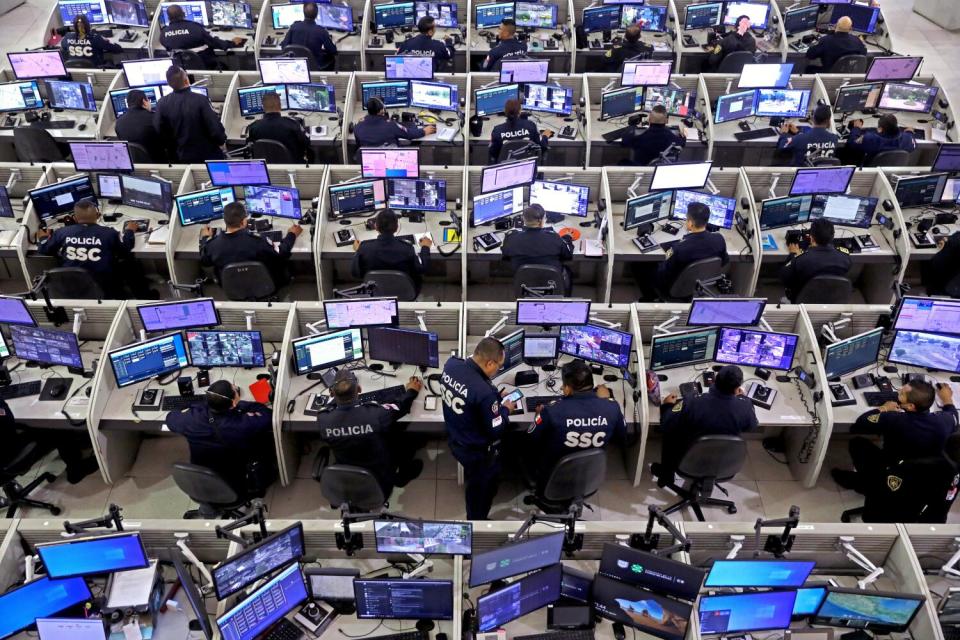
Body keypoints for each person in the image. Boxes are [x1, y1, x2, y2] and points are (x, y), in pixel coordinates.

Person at [832, 381, 958, 494]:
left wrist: (884, 408)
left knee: (857, 443)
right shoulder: (944, 420)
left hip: (893, 470)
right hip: (926, 473)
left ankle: (865, 483)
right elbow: (954, 415)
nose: (898, 392)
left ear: (910, 406)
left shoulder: (895, 419)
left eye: (902, 394)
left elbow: (861, 423)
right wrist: (947, 398)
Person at [440, 337, 517, 519]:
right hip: (478, 453)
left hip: (456, 438)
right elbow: (496, 429)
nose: (499, 369)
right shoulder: (484, 393)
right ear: (490, 363)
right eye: (499, 365)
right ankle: (477, 521)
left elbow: (469, 397)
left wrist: (495, 397)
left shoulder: (451, 365)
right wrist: (505, 409)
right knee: (480, 491)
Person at [316, 370, 425, 499]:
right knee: (406, 437)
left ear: (331, 393)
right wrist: (412, 391)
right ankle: (400, 477)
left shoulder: (324, 419)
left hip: (347, 473)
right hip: (379, 473)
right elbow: (400, 406)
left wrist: (339, 397)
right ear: (359, 389)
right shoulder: (376, 415)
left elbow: (333, 408)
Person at [166, 380, 277, 498]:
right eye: (235, 390)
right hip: (235, 477)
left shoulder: (190, 420)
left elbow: (170, 418)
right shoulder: (241, 424)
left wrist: (194, 407)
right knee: (264, 441)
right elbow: (268, 416)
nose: (235, 388)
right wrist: (243, 405)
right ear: (233, 403)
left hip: (203, 474)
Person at [527, 359, 627, 489]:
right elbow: (623, 436)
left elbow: (530, 437)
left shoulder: (552, 411)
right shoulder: (612, 407)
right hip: (589, 473)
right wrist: (605, 400)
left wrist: (538, 415)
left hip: (554, 474)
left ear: (567, 389)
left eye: (564, 385)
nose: (562, 388)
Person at [652, 365, 758, 486]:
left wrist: (667, 405)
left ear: (715, 380)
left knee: (671, 432)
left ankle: (666, 475)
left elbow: (666, 423)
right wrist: (741, 399)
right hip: (725, 460)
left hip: (690, 457)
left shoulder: (693, 402)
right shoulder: (745, 406)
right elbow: (751, 426)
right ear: (737, 388)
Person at [35, 200, 139, 298]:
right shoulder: (109, 233)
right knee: (129, 263)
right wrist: (129, 231)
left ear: (74, 218)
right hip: (102, 286)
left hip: (71, 286)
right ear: (98, 216)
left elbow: (44, 249)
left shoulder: (62, 232)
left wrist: (43, 237)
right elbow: (125, 249)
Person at [200, 201, 302, 290]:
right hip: (264, 284)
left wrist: (205, 238)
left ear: (225, 220)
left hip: (232, 288)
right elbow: (281, 253)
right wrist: (292, 234)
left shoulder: (212, 245)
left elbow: (205, 261)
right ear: (244, 221)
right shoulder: (259, 240)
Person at [654, 201, 729, 298]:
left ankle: (649, 296)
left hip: (676, 289)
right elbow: (723, 262)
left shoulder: (678, 248)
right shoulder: (719, 239)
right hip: (702, 284)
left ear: (690, 223)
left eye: (686, 219)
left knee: (643, 267)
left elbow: (663, 275)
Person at [155, 65, 228, 162]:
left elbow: (160, 133)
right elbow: (215, 131)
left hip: (179, 159)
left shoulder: (161, 103)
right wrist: (222, 141)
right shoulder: (201, 100)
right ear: (186, 81)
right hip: (207, 158)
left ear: (169, 84)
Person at [352, 209, 432, 295]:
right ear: (397, 227)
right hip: (405, 291)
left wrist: (358, 252)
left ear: (376, 226)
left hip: (375, 291)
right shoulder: (407, 249)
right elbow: (422, 269)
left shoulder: (364, 248)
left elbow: (356, 273)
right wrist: (425, 247)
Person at [501, 204, 573, 294]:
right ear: (541, 221)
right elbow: (568, 255)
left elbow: (505, 255)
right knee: (568, 270)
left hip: (525, 284)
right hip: (551, 283)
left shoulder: (512, 238)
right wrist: (568, 238)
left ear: (523, 219)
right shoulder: (554, 238)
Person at [780, 218, 852, 302]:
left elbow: (784, 278)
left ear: (812, 238)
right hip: (832, 298)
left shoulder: (802, 259)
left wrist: (793, 254)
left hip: (804, 300)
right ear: (832, 237)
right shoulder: (845, 258)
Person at [159, 3, 245, 69]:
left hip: (181, 70)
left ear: (169, 17)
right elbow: (216, 43)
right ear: (183, 14)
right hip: (205, 66)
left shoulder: (163, 34)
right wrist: (232, 43)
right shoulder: (196, 28)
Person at [246, 92, 313, 162]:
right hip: (291, 167)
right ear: (280, 106)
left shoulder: (253, 127)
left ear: (263, 108)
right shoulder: (293, 124)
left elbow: (249, 147)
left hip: (266, 168)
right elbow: (307, 142)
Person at [353, 97, 435, 147]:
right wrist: (424, 131)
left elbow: (358, 146)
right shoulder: (391, 125)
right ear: (382, 110)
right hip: (391, 159)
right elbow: (410, 134)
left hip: (370, 161)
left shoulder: (358, 126)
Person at [489, 98, 552, 163]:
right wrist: (545, 135)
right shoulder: (530, 125)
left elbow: (493, 153)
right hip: (527, 166)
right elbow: (542, 145)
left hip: (505, 168)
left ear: (505, 112)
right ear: (520, 111)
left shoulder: (497, 130)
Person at [620, 105, 687, 166]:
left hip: (643, 169)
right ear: (666, 121)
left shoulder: (641, 138)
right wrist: (682, 134)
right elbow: (682, 143)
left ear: (649, 119)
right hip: (661, 170)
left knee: (622, 162)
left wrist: (632, 126)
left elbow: (625, 141)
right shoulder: (671, 137)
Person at [281, 2, 338, 70]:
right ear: (317, 14)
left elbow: (284, 46)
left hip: (297, 65)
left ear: (303, 13)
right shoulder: (321, 31)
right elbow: (333, 51)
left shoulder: (294, 27)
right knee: (332, 58)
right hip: (315, 65)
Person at [114, 89, 166, 163]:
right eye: (148, 100)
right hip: (158, 163)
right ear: (144, 102)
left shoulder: (119, 122)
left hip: (135, 165)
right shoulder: (154, 118)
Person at [845, 113, 917, 165]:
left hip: (871, 171)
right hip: (892, 172)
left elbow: (852, 143)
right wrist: (909, 132)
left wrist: (856, 128)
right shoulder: (907, 138)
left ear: (880, 129)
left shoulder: (870, 139)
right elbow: (914, 145)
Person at [922, 232, 960, 297]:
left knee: (926, 262)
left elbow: (936, 265)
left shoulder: (956, 240)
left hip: (947, 290)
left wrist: (944, 249)